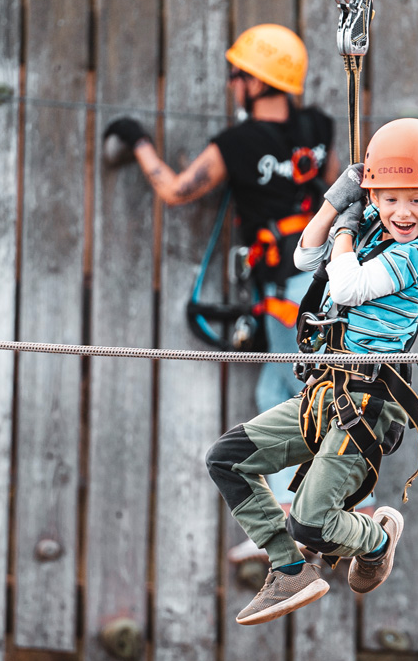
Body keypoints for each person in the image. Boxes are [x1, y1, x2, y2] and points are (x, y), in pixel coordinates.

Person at [204, 118, 418, 625]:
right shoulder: (368, 230)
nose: (403, 212)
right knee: (227, 458)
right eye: (389, 199)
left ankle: (377, 536)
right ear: (374, 198)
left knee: (313, 522)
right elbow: (303, 256)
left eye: (417, 199)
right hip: (327, 393)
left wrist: (346, 227)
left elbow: (344, 288)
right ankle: (289, 569)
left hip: (367, 405)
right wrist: (334, 203)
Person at [102, 23, 334, 416]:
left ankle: (306, 478)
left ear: (257, 83)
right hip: (327, 279)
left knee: (287, 402)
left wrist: (138, 140)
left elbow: (176, 191)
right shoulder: (317, 127)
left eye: (236, 75)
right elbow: (337, 185)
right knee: (282, 392)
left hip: (288, 289)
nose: (231, 84)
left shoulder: (237, 143)